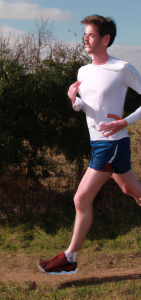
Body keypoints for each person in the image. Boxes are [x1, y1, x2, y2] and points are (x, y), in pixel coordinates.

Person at [37, 14, 141, 275]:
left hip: (112, 143)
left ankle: (69, 257)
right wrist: (75, 101)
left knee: (81, 198)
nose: (86, 38)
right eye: (85, 35)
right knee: (131, 191)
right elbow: (89, 107)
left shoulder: (122, 68)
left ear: (105, 40)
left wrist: (125, 122)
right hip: (97, 143)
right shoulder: (83, 71)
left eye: (91, 35)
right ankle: (70, 257)